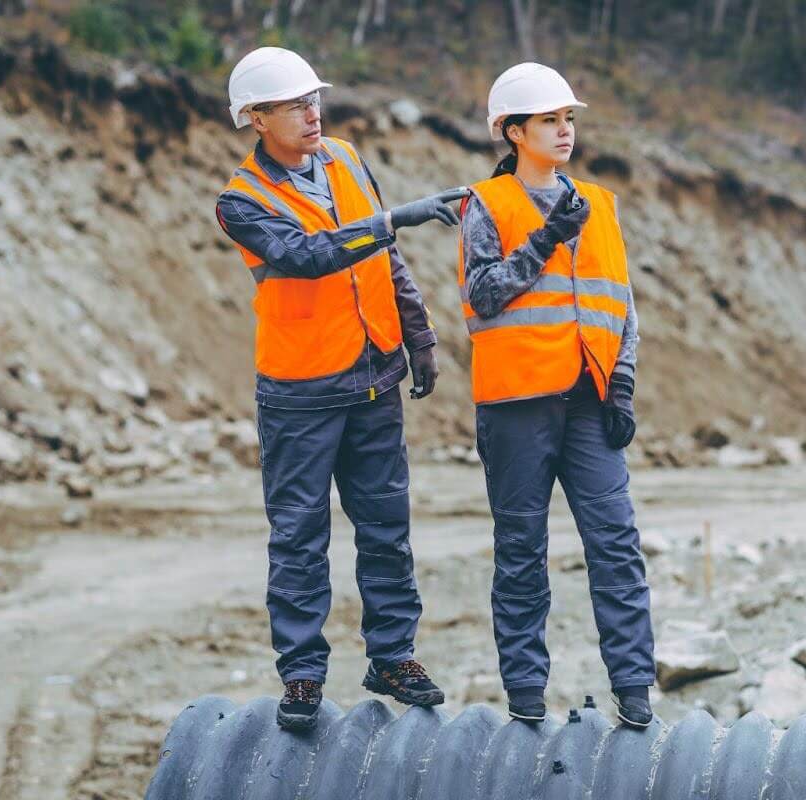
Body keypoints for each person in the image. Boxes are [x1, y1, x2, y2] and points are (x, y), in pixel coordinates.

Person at [215, 46, 465, 731]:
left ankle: (393, 656)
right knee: (298, 537)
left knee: (387, 528)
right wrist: (394, 218)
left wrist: (418, 338)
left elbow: (388, 263)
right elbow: (307, 256)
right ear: (256, 118)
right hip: (300, 392)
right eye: (294, 105)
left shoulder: (347, 159)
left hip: (373, 379)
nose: (311, 112)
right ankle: (301, 675)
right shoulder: (241, 202)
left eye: (313, 99)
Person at [457, 62, 655, 728]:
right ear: (512, 132)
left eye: (569, 118)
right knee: (521, 552)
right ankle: (525, 697)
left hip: (589, 405)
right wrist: (546, 238)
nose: (565, 130)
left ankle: (633, 689)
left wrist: (621, 382)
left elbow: (620, 301)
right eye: (549, 120)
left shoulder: (600, 203)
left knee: (617, 543)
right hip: (515, 408)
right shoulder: (487, 206)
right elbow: (482, 296)